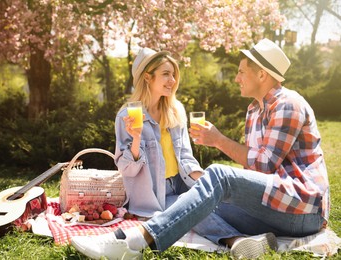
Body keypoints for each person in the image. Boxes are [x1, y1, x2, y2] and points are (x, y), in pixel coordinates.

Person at [71, 39, 330, 259]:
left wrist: (217, 143)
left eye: (241, 72)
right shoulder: (254, 110)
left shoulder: (287, 104)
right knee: (200, 202)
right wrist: (209, 189)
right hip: (272, 208)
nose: (237, 78)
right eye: (166, 74)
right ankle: (241, 243)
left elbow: (262, 166)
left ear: (261, 74)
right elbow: (254, 170)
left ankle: (134, 241)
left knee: (217, 175)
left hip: (302, 211)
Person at [114, 47, 204, 217]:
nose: (173, 80)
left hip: (181, 184)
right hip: (154, 197)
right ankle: (234, 240)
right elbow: (127, 170)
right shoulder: (127, 116)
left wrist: (207, 182)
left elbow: (185, 157)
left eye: (173, 75)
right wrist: (136, 138)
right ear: (147, 77)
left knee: (213, 205)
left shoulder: (175, 111)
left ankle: (243, 238)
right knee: (194, 210)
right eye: (166, 74)